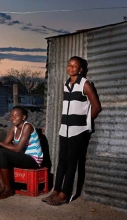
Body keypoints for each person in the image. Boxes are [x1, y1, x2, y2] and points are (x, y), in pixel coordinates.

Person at [42, 56, 102, 206]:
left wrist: (84, 123)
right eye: (69, 65)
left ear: (80, 69)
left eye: (75, 66)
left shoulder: (85, 84)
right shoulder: (66, 84)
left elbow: (96, 107)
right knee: (62, 161)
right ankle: (56, 191)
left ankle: (65, 194)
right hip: (64, 129)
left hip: (78, 131)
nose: (71, 68)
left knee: (72, 163)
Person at [0, 105, 43, 200]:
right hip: (22, 157)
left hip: (33, 160)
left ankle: (8, 189)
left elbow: (17, 149)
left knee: (2, 152)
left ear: (23, 117)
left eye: (16, 116)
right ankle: (2, 186)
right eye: (12, 116)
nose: (13, 118)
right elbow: (5, 144)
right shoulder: (14, 128)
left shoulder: (27, 126)